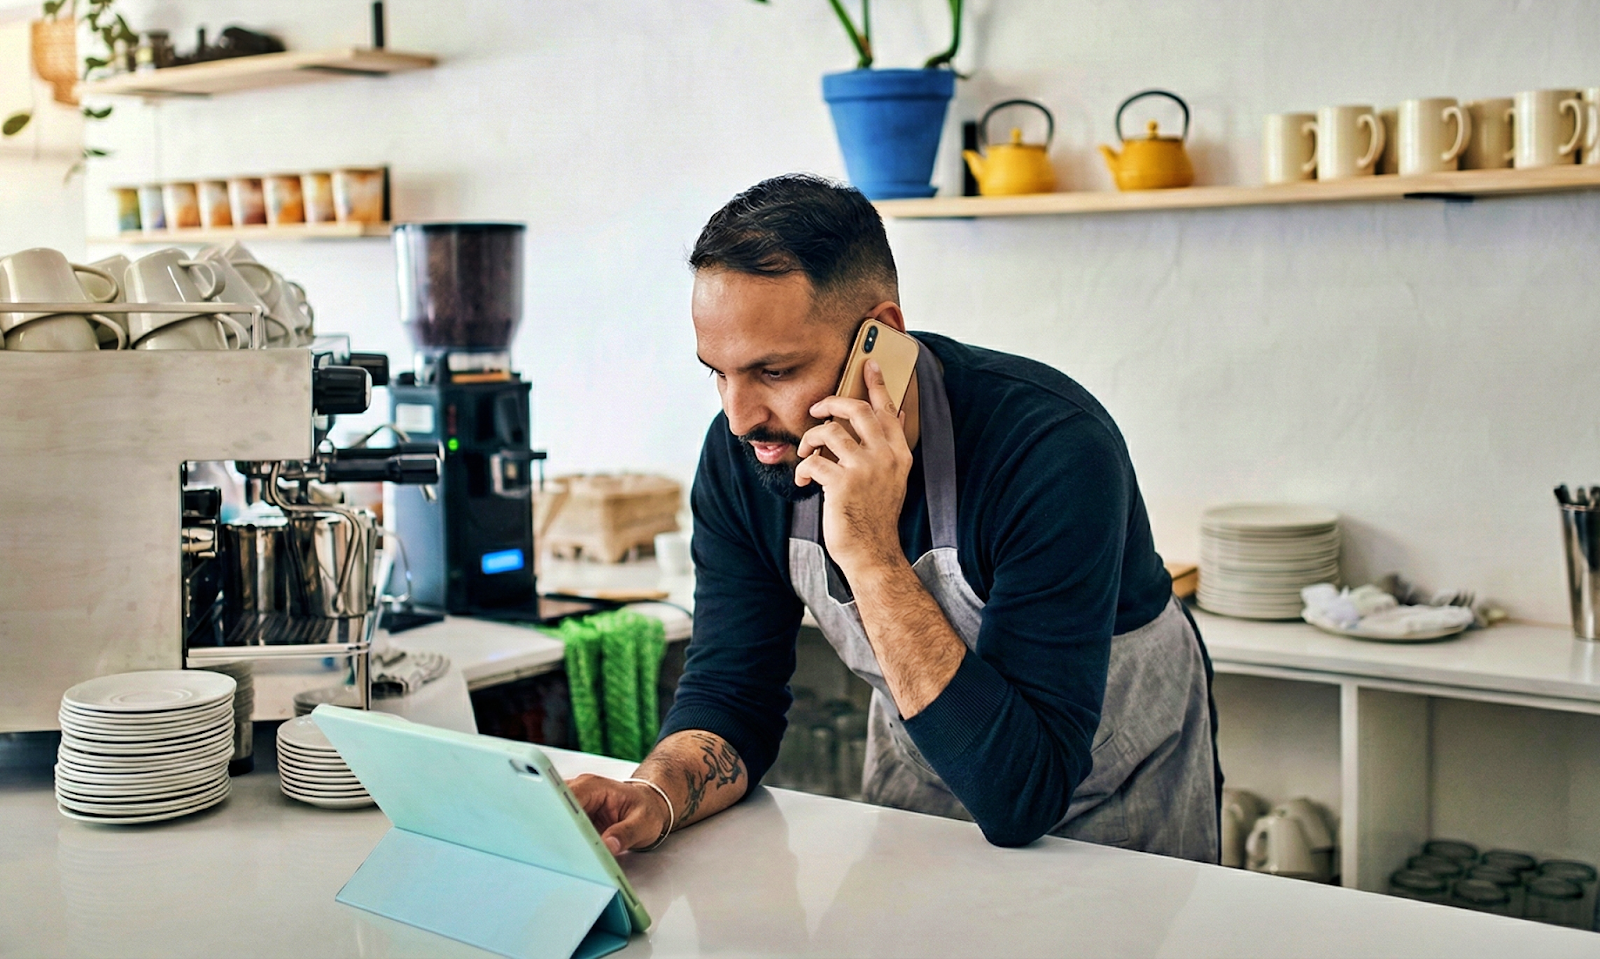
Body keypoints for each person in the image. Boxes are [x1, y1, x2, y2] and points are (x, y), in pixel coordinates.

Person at [569, 174, 1219, 859]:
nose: (739, 417)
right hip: (923, 780)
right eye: (718, 373)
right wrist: (658, 793)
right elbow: (732, 692)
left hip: (1113, 805)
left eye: (776, 371)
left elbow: (1022, 793)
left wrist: (870, 553)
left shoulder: (1051, 450)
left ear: (878, 338)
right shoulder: (747, 455)